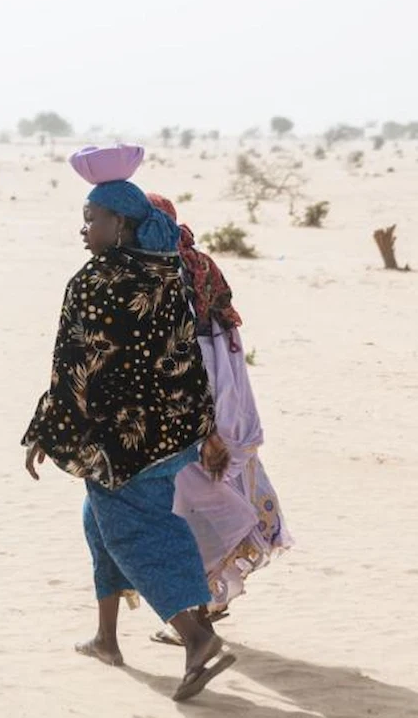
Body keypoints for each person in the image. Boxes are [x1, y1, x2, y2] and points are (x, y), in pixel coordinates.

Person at [23, 177, 236, 702]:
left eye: (92, 217)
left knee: (136, 533)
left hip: (122, 443)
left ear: (120, 225)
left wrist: (47, 429)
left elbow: (75, 366)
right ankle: (106, 638)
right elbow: (189, 359)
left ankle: (196, 636)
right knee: (100, 522)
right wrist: (203, 428)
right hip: (170, 434)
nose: (84, 227)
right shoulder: (167, 274)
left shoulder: (95, 280)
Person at [147, 194, 292, 640]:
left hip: (192, 397)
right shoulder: (202, 263)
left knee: (188, 502)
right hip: (226, 389)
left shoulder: (159, 273)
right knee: (214, 489)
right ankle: (209, 602)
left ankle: (199, 612)